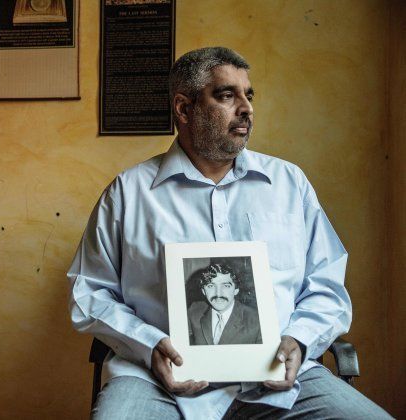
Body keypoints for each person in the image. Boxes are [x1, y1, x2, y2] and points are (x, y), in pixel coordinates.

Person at [67, 47, 391, 419]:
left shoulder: (289, 184)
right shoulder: (128, 193)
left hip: (283, 380)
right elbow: (88, 292)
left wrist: (300, 340)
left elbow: (326, 286)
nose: (246, 108)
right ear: (184, 109)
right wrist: (149, 345)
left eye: (248, 95)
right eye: (226, 95)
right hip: (155, 382)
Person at [187, 263, 261, 345]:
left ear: (236, 290)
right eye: (211, 286)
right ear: (203, 291)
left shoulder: (257, 321)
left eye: (226, 286)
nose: (218, 294)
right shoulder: (193, 312)